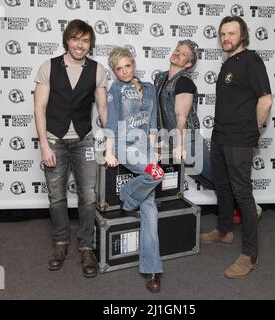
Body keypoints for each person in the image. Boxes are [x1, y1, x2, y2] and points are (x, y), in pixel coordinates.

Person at [200, 16, 273, 278]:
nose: (226, 38)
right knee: (222, 185)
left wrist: (253, 131)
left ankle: (250, 254)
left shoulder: (251, 61)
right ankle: (224, 230)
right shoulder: (228, 63)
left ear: (242, 36)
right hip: (220, 135)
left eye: (231, 33)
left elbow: (265, 99)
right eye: (222, 34)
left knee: (243, 193)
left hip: (239, 139)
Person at [34, 19, 108, 278]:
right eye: (76, 39)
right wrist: (44, 145)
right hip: (54, 139)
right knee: (57, 197)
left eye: (85, 40)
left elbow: (103, 110)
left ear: (90, 44)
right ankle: (61, 244)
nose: (80, 45)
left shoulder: (98, 70)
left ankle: (86, 247)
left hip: (84, 140)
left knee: (88, 196)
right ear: (67, 40)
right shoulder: (48, 67)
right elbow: (39, 108)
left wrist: (113, 139)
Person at [104, 47, 164, 293]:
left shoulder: (149, 87)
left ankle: (152, 268)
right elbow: (110, 122)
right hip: (124, 144)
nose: (124, 71)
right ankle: (128, 199)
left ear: (133, 64)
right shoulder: (115, 89)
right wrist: (109, 151)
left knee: (149, 207)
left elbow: (151, 123)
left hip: (145, 147)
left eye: (127, 65)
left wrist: (155, 150)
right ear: (114, 71)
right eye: (118, 68)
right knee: (155, 175)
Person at [153, 40, 214, 189]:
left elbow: (182, 117)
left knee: (216, 177)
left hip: (188, 141)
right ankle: (233, 205)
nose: (178, 53)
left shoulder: (184, 82)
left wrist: (179, 145)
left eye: (184, 53)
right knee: (202, 178)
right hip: (170, 140)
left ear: (188, 64)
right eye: (177, 49)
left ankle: (247, 206)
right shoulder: (160, 78)